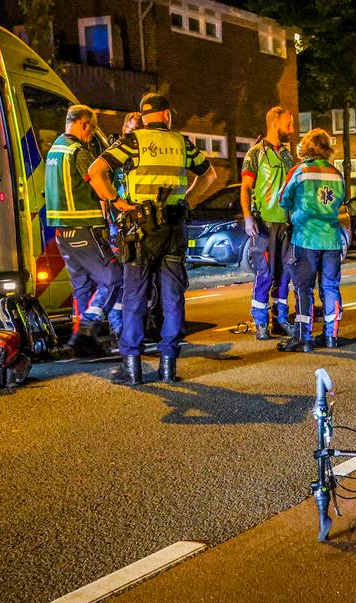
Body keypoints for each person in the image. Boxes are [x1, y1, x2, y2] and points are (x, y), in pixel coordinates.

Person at [88, 93, 215, 385]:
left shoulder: (133, 141)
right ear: (167, 115)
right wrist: (189, 200)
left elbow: (96, 171)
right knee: (172, 297)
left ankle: (132, 368)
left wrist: (116, 201)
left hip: (140, 230)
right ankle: (168, 366)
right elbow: (209, 175)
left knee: (135, 297)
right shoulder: (181, 142)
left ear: (143, 117)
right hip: (173, 228)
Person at [43, 105, 121, 356]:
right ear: (84, 124)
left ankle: (82, 346)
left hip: (62, 234)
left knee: (82, 286)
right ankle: (85, 330)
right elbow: (100, 187)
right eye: (92, 129)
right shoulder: (78, 151)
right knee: (114, 277)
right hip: (84, 229)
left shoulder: (55, 149)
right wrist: (118, 201)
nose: (90, 135)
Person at [277, 129, 346, 353]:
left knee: (303, 288)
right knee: (330, 287)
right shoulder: (337, 174)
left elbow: (283, 199)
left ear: (307, 147)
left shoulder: (299, 171)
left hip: (305, 238)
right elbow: (341, 200)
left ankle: (303, 337)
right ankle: (331, 335)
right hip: (332, 240)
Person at [241, 107, 295, 341]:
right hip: (264, 224)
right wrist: (247, 217)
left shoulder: (287, 155)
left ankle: (281, 319)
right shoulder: (255, 154)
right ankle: (261, 321)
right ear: (275, 124)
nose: (292, 129)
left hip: (286, 224)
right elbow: (245, 188)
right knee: (265, 274)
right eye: (289, 124)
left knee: (285, 275)